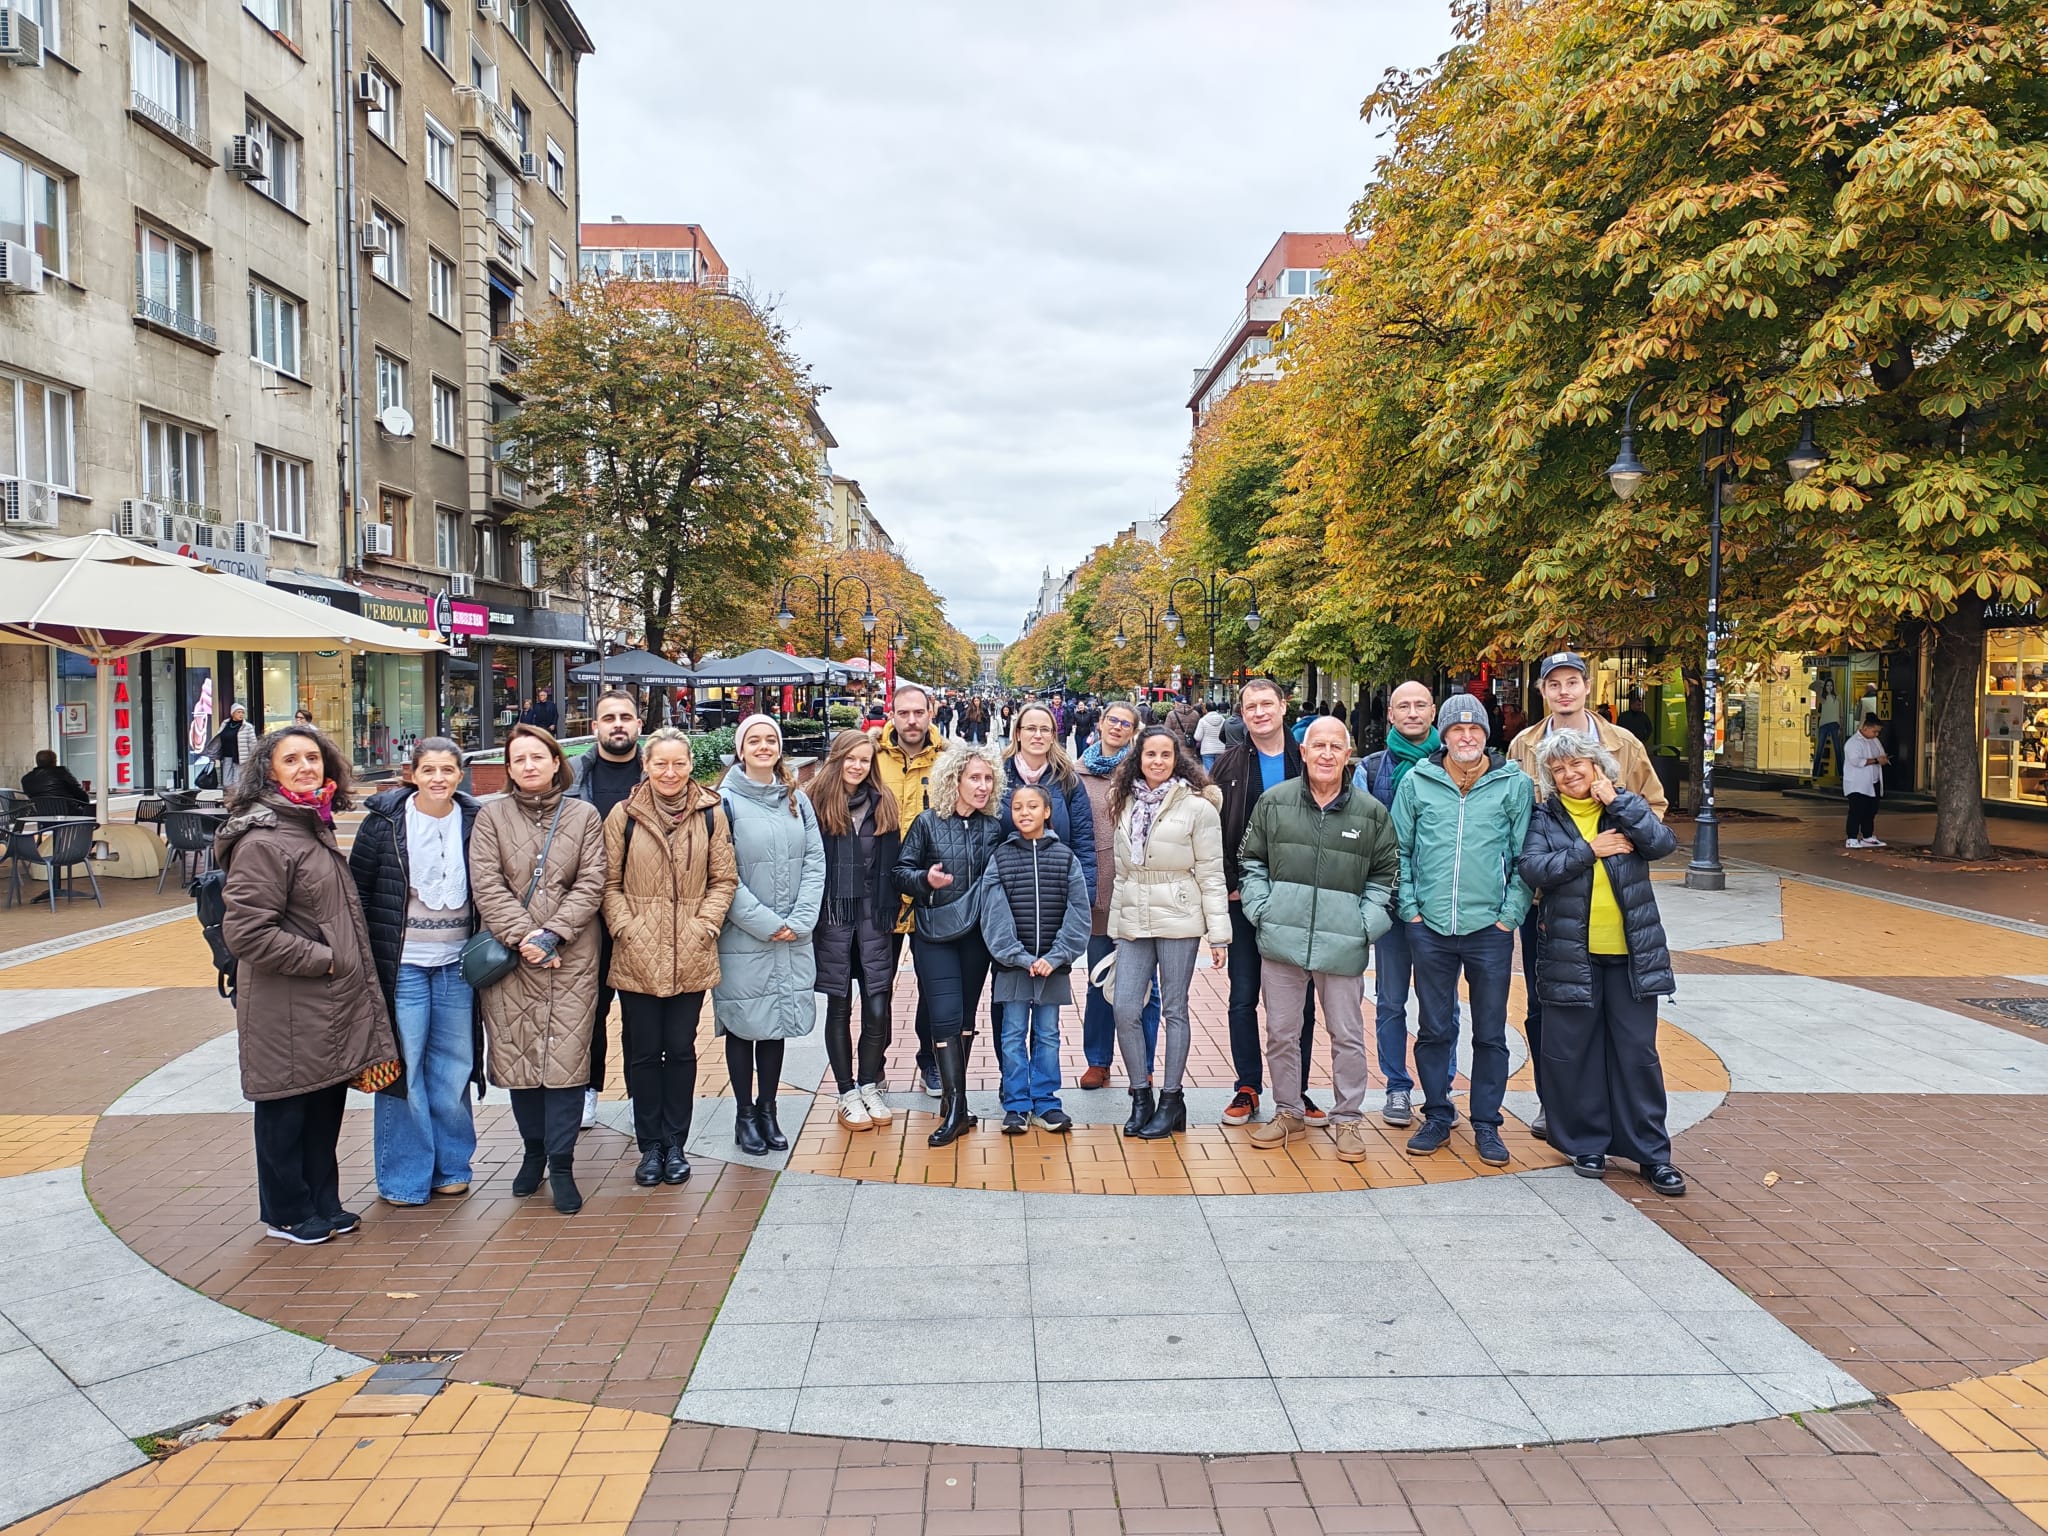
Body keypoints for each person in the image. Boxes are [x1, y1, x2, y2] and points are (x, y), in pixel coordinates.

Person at [216, 725, 394, 1244]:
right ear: (268, 771)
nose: (305, 767)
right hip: (286, 1002)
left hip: (324, 1002)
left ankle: (323, 1200)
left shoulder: (309, 825)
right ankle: (287, 1212)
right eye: (291, 760)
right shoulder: (265, 838)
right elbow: (248, 932)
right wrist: (327, 960)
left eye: (313, 758)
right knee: (285, 1108)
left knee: (322, 1103)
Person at [1507, 651, 1666, 1141]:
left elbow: (1655, 811)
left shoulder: (1624, 743)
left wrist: (1624, 827)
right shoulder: (1523, 745)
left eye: (1572, 682)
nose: (1564, 691)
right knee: (1550, 1011)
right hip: (1549, 905)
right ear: (1543, 692)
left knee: (1626, 1030)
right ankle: (1551, 1102)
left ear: (1587, 686)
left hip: (1617, 903)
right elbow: (1517, 821)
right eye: (1554, 684)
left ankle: (1623, 1123)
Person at [1518, 731, 1686, 1196]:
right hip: (1573, 954)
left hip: (1633, 954)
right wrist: (1590, 850)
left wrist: (1619, 802)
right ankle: (1586, 1142)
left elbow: (1662, 843)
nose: (1570, 774)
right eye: (1559, 769)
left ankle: (1652, 1154)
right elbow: (1534, 868)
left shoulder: (1624, 807)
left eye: (1578, 765)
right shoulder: (1544, 817)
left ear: (1596, 766)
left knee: (1638, 1055)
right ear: (1551, 778)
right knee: (1577, 1054)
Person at [1238, 718, 1399, 1158]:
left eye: (1336, 746)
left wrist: (1364, 925)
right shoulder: (1274, 802)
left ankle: (1348, 1118)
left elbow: (1388, 876)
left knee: (1347, 1035)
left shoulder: (1371, 813)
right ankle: (1288, 1112)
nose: (1326, 754)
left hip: (1343, 943)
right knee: (1281, 1033)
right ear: (1303, 752)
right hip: (1282, 940)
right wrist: (1263, 912)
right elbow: (1250, 862)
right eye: (1318, 746)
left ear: (1348, 756)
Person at [471, 724, 607, 1214]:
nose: (529, 766)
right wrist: (525, 936)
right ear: (508, 769)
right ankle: (533, 1154)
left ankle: (563, 1164)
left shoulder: (584, 815)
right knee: (521, 1060)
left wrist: (553, 934)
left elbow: (593, 881)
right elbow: (486, 883)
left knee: (567, 1063)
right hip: (512, 959)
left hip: (570, 956)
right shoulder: (491, 818)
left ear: (556, 762)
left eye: (537, 756)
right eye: (518, 759)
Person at [1394, 695, 1534, 1167]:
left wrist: (1510, 914)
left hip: (1489, 929)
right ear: (1445, 735)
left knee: (1491, 1031)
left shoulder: (1512, 783)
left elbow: (1522, 857)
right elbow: (1400, 851)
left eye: (1475, 730)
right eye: (1457, 730)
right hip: (1430, 927)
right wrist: (1411, 910)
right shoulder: (1418, 781)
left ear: (1486, 735)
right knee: (1434, 1028)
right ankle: (1437, 1113)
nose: (1467, 737)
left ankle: (1488, 1123)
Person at [350, 737, 481, 1208]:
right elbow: (359, 891)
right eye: (429, 770)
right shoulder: (383, 823)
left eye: (447, 770)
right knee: (404, 1069)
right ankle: (405, 1176)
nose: (438, 779)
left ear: (460, 774)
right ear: (412, 773)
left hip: (457, 964)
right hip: (403, 963)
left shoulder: (474, 820)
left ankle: (451, 1167)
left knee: (452, 1068)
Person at [604, 728, 737, 1187]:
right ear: (646, 766)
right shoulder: (624, 815)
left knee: (680, 1050)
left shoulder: (710, 812)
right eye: (660, 763)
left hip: (690, 950)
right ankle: (650, 1146)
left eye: (678, 763)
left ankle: (676, 1142)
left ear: (689, 765)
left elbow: (724, 879)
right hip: (637, 952)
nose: (670, 772)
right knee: (643, 1052)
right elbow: (608, 883)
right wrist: (626, 927)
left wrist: (706, 925)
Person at [1105, 726, 1230, 1138]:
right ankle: (1140, 1092)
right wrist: (1115, 928)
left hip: (1179, 913)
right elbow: (1122, 873)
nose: (1157, 762)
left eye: (1165, 755)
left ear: (1178, 759)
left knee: (1174, 1007)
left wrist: (1218, 934)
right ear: (1137, 758)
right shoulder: (1123, 801)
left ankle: (1172, 1099)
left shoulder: (1198, 807)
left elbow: (1212, 873)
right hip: (1134, 915)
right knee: (1125, 1007)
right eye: (1150, 754)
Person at [1209, 677, 1319, 1127]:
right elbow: (1214, 831)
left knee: (1300, 1000)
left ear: (1282, 707)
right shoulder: (1227, 765)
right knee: (1242, 995)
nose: (1259, 713)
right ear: (1243, 713)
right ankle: (1248, 1085)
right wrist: (1231, 883)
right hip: (1244, 898)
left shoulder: (1308, 758)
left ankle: (1298, 1089)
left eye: (1266, 704)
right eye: (1250, 706)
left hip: (1299, 896)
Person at [714, 715, 826, 1156]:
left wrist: (800, 919)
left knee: (776, 1024)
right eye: (754, 740)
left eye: (771, 739)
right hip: (745, 935)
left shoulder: (796, 798)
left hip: (792, 932)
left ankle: (768, 1108)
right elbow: (722, 872)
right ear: (740, 750)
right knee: (744, 1025)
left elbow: (815, 860)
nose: (764, 746)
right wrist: (765, 922)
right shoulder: (724, 802)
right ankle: (745, 1113)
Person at [895, 742, 1007, 1147]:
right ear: (954, 780)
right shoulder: (927, 823)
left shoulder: (993, 827)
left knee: (963, 1018)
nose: (981, 786)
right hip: (934, 933)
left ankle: (954, 1107)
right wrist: (926, 880)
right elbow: (900, 872)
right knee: (943, 1014)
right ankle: (955, 1102)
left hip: (976, 936)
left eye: (987, 778)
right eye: (974, 778)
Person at [1352, 680, 1439, 1127]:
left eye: (1419, 705)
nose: (1411, 713)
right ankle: (1397, 1087)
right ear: (1389, 715)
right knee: (1390, 1001)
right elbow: (1361, 835)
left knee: (1439, 1003)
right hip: (1389, 907)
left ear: (1432, 710)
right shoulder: (1370, 768)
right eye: (1402, 706)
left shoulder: (1455, 764)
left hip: (1442, 906)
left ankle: (1438, 1091)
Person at [981, 782, 1091, 1134]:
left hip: (1053, 969)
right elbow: (993, 913)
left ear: (1047, 812)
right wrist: (1018, 956)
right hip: (1013, 967)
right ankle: (1015, 1103)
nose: (1024, 813)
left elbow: (1079, 913)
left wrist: (1057, 955)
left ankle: (1046, 1101)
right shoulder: (1001, 857)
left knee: (1048, 1034)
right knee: (1012, 1034)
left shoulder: (1065, 858)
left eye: (1032, 806)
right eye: (1017, 807)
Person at [807, 730, 901, 1131]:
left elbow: (894, 860)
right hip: (834, 918)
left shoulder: (883, 803)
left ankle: (869, 1083)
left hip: (875, 919)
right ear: (837, 758)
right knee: (840, 1006)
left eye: (865, 759)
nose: (857, 766)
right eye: (851, 758)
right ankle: (846, 1091)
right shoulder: (814, 801)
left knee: (877, 1007)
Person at [568, 689, 646, 1130]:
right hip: (586, 916)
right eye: (609, 717)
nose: (618, 724)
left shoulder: (655, 773)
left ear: (638, 725)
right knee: (589, 1009)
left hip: (639, 914)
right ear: (594, 726)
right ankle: (587, 1090)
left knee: (638, 1012)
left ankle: (640, 1096)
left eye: (626, 717)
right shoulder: (574, 776)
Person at [1075, 702, 1159, 1089]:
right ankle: (1098, 1059)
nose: (1118, 727)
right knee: (1100, 979)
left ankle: (1143, 1062)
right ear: (1101, 723)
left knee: (1146, 985)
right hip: (1100, 892)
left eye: (1126, 723)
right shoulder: (1078, 773)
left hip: (1141, 893)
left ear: (1133, 730)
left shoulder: (1143, 772)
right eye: (1113, 720)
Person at [874, 684, 948, 1094]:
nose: (912, 721)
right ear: (893, 713)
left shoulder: (948, 758)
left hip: (931, 889)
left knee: (933, 984)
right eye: (904, 713)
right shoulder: (872, 756)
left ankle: (929, 1060)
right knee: (877, 984)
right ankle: (875, 1062)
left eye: (919, 712)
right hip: (883, 888)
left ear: (931, 712)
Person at [1000, 702, 1096, 912]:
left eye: (1045, 729)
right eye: (1031, 728)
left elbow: (1083, 842)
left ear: (1053, 736)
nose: (1038, 735)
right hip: (1006, 893)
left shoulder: (1068, 780)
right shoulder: (997, 777)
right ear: (1017, 733)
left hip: (1055, 892)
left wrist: (1084, 895)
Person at [1844, 713, 1890, 849]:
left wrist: (1883, 759)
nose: (1876, 734)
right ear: (1864, 728)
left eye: (1878, 732)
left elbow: (1881, 754)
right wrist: (1876, 760)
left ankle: (1867, 836)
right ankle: (1851, 837)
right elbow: (1856, 761)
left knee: (1871, 810)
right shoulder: (1853, 743)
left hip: (1873, 781)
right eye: (1874, 731)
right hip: (1857, 783)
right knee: (1857, 810)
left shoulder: (1874, 741)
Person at [211, 703, 258, 792]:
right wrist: (214, 754)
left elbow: (253, 743)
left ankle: (236, 799)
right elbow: (219, 739)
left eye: (242, 713)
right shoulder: (225, 724)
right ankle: (229, 796)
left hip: (241, 757)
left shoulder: (247, 727)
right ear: (233, 713)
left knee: (238, 781)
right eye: (238, 712)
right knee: (226, 781)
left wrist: (253, 758)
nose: (241, 714)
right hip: (227, 756)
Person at [20, 749, 89, 810]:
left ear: (37, 762)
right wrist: (85, 802)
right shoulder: (61, 773)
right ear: (54, 761)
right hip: (68, 814)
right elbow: (79, 793)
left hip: (43, 816)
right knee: (93, 811)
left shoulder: (26, 779)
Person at [1194, 704, 1229, 771]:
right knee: (1219, 772)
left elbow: (1197, 737)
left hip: (1207, 750)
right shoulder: (1223, 720)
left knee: (1209, 773)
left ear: (1206, 710)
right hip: (1221, 749)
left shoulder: (1202, 721)